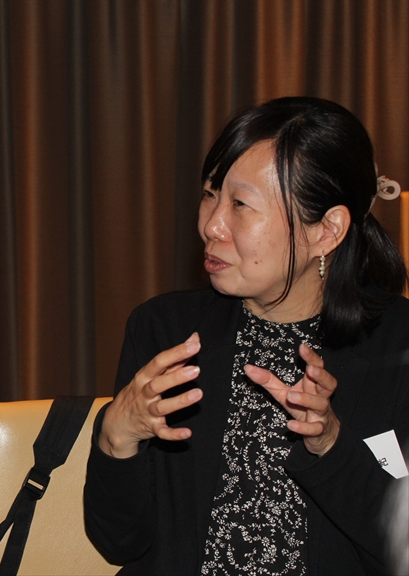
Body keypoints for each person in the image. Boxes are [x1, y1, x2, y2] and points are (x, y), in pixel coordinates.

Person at [84, 97, 408, 575]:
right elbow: (119, 541)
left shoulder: (397, 347)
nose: (211, 225)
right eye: (210, 194)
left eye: (240, 204)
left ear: (326, 231)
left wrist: (331, 447)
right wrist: (117, 436)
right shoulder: (167, 330)